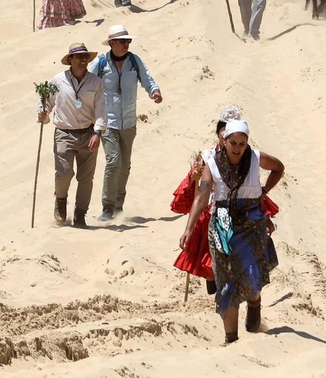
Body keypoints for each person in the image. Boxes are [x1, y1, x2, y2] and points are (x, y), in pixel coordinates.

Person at [178, 118, 285, 343]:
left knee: (253, 273)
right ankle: (231, 339)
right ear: (224, 141)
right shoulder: (212, 164)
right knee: (226, 282)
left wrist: (264, 190)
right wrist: (189, 228)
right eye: (233, 143)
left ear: (247, 143)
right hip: (222, 225)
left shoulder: (256, 158)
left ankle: (254, 304)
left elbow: (279, 168)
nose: (237, 148)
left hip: (252, 223)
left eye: (241, 143)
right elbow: (202, 197)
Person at [172, 105, 280, 293]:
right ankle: (219, 295)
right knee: (210, 260)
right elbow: (197, 192)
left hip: (244, 212)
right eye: (226, 136)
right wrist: (193, 177)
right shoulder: (207, 157)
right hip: (214, 210)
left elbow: (256, 188)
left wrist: (263, 195)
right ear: (220, 135)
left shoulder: (250, 157)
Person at [91, 24, 161, 222]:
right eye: (122, 41)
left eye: (128, 41)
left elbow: (147, 79)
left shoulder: (134, 61)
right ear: (112, 43)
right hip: (108, 121)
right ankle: (107, 206)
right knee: (113, 162)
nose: (126, 44)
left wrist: (154, 91)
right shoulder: (101, 63)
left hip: (129, 122)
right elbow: (89, 84)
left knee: (125, 165)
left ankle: (119, 203)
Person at [38, 43, 106, 228]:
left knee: (86, 178)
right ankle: (60, 201)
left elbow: (101, 108)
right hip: (64, 133)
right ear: (70, 59)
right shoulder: (57, 80)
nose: (84, 60)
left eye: (86, 56)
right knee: (63, 173)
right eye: (80, 56)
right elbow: (46, 103)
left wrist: (98, 132)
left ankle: (80, 214)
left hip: (88, 133)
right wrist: (43, 115)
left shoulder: (95, 82)